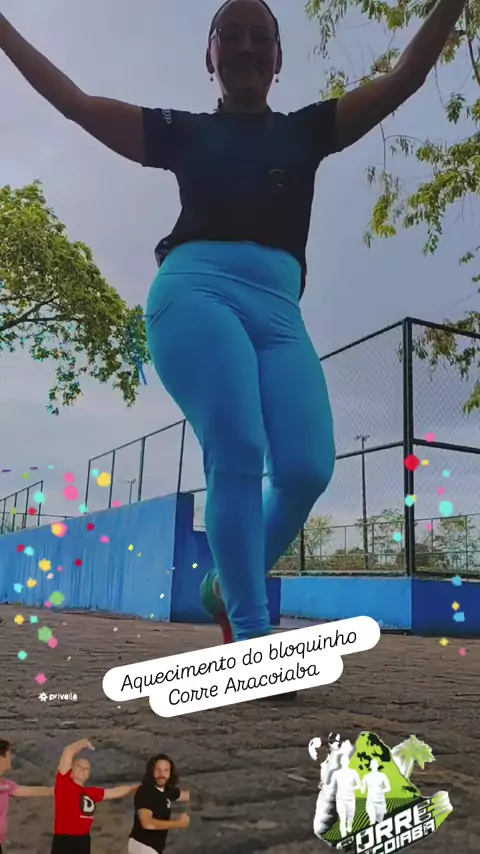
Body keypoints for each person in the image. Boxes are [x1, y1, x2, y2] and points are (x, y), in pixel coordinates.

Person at [0, 0, 468, 652]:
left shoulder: (307, 131)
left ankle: (226, 584)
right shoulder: (182, 132)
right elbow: (76, 103)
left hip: (279, 312)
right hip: (196, 293)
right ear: (210, 56)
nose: (247, 47)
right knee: (240, 448)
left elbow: (406, 77)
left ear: (278, 60)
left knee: (306, 467)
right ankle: (251, 632)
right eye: (232, 35)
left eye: (261, 38)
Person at [52, 738, 140, 854]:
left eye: (86, 768)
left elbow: (116, 792)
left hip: (83, 839)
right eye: (79, 766)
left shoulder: (91, 792)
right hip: (65, 839)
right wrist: (83, 742)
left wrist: (139, 787)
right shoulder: (64, 784)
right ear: (71, 770)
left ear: (89, 774)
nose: (83, 770)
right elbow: (68, 751)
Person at [128, 753, 189, 854]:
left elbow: (187, 795)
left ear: (171, 773)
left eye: (166, 770)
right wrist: (179, 823)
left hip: (152, 847)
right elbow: (147, 823)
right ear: (151, 771)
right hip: (142, 845)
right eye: (158, 770)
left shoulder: (167, 791)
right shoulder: (145, 791)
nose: (162, 774)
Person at [0, 739, 53, 853]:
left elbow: (31, 791)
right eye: (9, 754)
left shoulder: (6, 785)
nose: (11, 758)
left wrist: (59, 790)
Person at [329, 754, 361, 839]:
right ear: (341, 762)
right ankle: (344, 836)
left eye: (346, 760)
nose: (345, 762)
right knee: (342, 818)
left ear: (348, 762)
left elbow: (359, 784)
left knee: (350, 816)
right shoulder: (336, 773)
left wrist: (353, 788)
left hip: (350, 799)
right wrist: (325, 786)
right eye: (343, 761)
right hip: (340, 799)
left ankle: (349, 827)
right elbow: (331, 785)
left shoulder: (353, 772)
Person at [360, 758, 391, 826]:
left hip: (380, 801)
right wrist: (362, 785)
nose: (374, 766)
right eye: (372, 765)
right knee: (372, 821)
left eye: (375, 765)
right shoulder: (366, 777)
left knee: (380, 821)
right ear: (370, 766)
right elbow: (363, 791)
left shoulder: (382, 776)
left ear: (377, 766)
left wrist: (381, 791)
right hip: (371, 801)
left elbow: (388, 788)